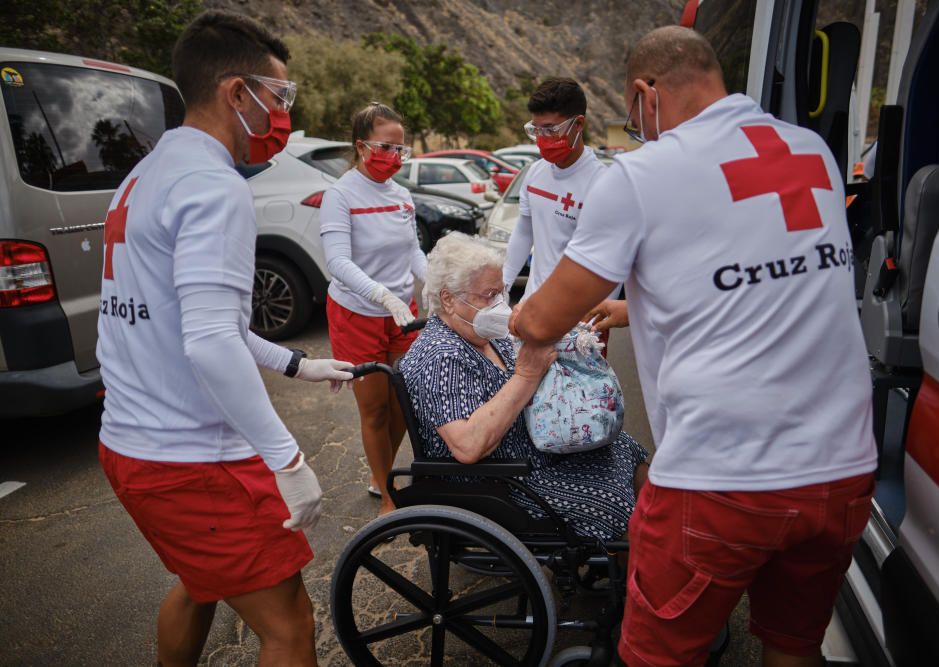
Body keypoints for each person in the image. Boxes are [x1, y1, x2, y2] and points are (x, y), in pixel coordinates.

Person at [511, 26, 877, 667]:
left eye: (632, 115)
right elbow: (762, 268)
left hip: (723, 477)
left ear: (644, 92)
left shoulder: (641, 174)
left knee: (658, 655)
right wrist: (635, 308)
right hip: (841, 469)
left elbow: (542, 320)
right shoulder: (810, 150)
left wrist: (511, 319)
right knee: (794, 646)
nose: (637, 128)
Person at [96, 11, 354, 667]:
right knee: (290, 626)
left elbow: (199, 323)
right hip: (188, 457)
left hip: (131, 443)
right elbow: (210, 342)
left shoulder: (147, 172)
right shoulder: (214, 186)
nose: (284, 113)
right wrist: (287, 460)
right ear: (237, 93)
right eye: (280, 96)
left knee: (202, 583)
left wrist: (297, 364)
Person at [399, 233, 648, 541]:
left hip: (533, 455)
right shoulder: (442, 355)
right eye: (488, 296)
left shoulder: (482, 334)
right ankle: (631, 571)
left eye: (500, 293)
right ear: (448, 299)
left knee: (622, 448)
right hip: (500, 481)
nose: (499, 304)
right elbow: (467, 446)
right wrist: (526, 376)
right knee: (612, 500)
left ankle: (655, 550)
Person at [319, 102, 425, 515]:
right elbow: (338, 262)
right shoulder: (340, 194)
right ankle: (385, 492)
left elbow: (413, 250)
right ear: (362, 146)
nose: (395, 157)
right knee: (376, 407)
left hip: (401, 311)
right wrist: (381, 295)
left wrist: (435, 278)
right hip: (357, 313)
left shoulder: (401, 195)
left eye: (401, 149)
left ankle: (379, 469)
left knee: (407, 399)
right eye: (387, 147)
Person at [502, 78, 619, 351]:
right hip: (532, 309)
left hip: (580, 321)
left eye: (551, 130)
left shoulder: (602, 186)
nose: (543, 139)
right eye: (537, 130)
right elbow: (524, 232)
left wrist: (593, 321)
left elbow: (610, 263)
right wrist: (503, 285)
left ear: (579, 125)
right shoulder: (535, 173)